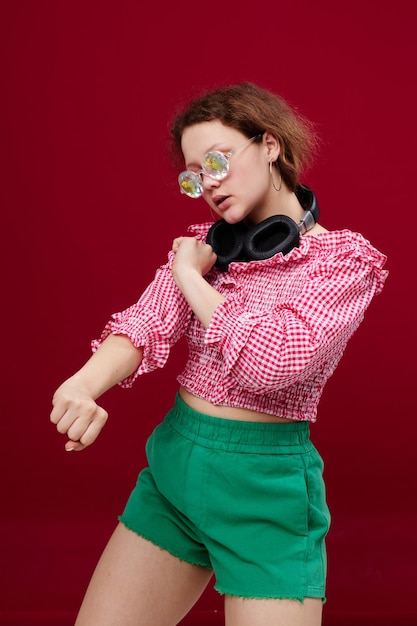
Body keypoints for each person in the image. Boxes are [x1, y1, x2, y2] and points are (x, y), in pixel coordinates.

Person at [50, 82, 388, 626]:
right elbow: (144, 323)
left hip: (265, 494)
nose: (208, 184)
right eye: (195, 174)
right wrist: (82, 384)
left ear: (270, 145)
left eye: (217, 160)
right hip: (176, 473)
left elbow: (271, 363)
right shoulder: (209, 249)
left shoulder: (342, 264)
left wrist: (190, 275)